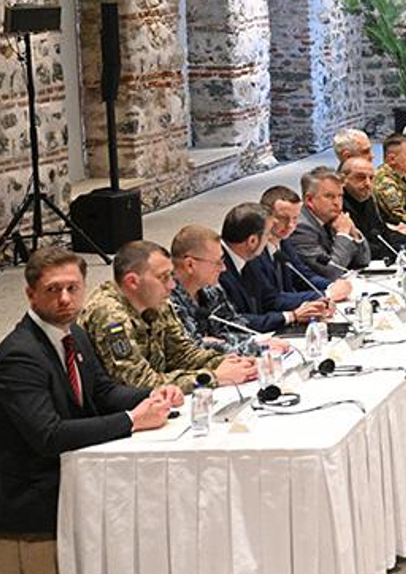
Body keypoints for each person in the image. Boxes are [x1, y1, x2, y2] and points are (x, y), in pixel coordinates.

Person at [0, 246, 169, 535]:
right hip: (34, 503)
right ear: (30, 294)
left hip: (78, 477)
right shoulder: (20, 355)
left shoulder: (73, 333)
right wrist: (131, 420)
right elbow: (48, 435)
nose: (65, 298)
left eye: (73, 288)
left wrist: (154, 394)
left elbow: (102, 392)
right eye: (53, 289)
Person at [77, 241, 254, 393]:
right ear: (132, 281)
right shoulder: (109, 315)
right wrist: (212, 377)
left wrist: (230, 363)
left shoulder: (156, 300)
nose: (171, 285)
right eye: (163, 277)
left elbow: (182, 354)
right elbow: (138, 383)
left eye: (170, 275)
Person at [167, 224, 283, 357]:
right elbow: (192, 352)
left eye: (222, 260)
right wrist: (252, 347)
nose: (223, 268)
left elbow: (237, 327)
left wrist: (219, 342)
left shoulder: (212, 291)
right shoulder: (167, 302)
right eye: (217, 262)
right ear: (190, 265)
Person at [219, 202, 330, 333]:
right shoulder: (217, 267)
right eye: (267, 234)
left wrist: (316, 300)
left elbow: (270, 298)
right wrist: (291, 316)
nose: (270, 238)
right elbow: (229, 321)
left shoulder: (248, 259)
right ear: (252, 241)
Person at [250, 185, 352, 304]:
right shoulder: (255, 253)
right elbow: (271, 299)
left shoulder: (284, 242)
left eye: (295, 218)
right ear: (266, 216)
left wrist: (332, 286)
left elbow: (303, 276)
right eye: (283, 218)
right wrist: (326, 294)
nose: (290, 225)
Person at [341, 155, 406, 260]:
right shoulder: (339, 206)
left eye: (371, 178)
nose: (368, 183)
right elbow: (361, 250)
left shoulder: (366, 199)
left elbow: (384, 235)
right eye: (360, 177)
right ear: (342, 180)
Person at [286, 167, 371, 281]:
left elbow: (363, 261)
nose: (337, 203)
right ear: (309, 200)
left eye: (340, 196)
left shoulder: (332, 218)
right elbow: (330, 272)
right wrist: (343, 234)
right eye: (329, 196)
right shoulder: (301, 227)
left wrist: (353, 232)